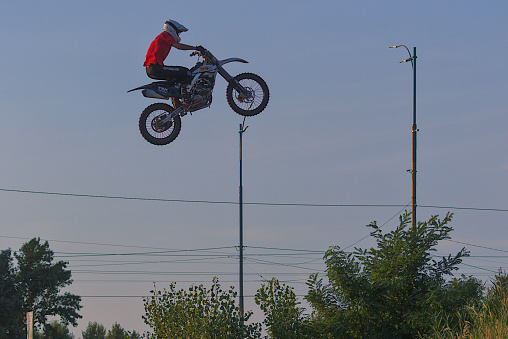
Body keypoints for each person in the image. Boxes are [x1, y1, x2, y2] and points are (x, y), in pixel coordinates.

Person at [143, 20, 202, 106]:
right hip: (155, 67)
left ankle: (176, 103)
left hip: (152, 68)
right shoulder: (166, 35)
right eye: (178, 33)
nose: (178, 35)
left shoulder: (162, 37)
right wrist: (196, 48)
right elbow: (178, 46)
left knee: (175, 81)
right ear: (172, 29)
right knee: (186, 72)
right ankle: (187, 98)